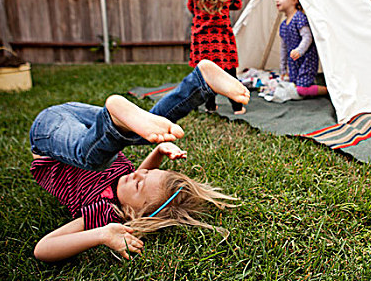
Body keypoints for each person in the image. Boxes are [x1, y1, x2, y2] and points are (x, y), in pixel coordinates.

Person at [30, 60, 250, 262]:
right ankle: (200, 82)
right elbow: (141, 178)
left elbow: (43, 248)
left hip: (49, 135)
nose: (137, 172)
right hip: (82, 120)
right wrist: (159, 152)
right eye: (146, 173)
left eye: (138, 183)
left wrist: (102, 234)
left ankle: (115, 122)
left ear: (134, 213)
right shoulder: (127, 180)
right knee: (143, 133)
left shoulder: (106, 213)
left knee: (94, 159)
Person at [187, 0, 246, 114]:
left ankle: (210, 106)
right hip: (221, 37)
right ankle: (237, 106)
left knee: (207, 73)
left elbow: (191, 7)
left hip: (202, 38)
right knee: (229, 72)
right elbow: (237, 4)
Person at [275, 0, 328, 97]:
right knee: (295, 84)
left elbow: (308, 37)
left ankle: (328, 91)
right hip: (294, 61)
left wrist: (299, 51)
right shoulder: (283, 25)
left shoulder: (299, 17)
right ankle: (309, 85)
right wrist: (283, 69)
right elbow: (283, 48)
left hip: (306, 59)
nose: (277, 0)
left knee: (302, 90)